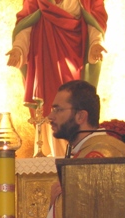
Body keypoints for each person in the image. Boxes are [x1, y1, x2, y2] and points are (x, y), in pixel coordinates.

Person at [37, 80, 125, 218]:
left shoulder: (100, 155)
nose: (50, 116)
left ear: (81, 116)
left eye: (58, 109)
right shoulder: (88, 152)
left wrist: (60, 200)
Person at [7, 0, 108, 156]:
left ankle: (75, 152)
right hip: (45, 57)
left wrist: (96, 43)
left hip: (74, 57)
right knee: (48, 105)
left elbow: (95, 19)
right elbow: (26, 23)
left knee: (73, 101)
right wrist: (18, 49)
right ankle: (49, 153)